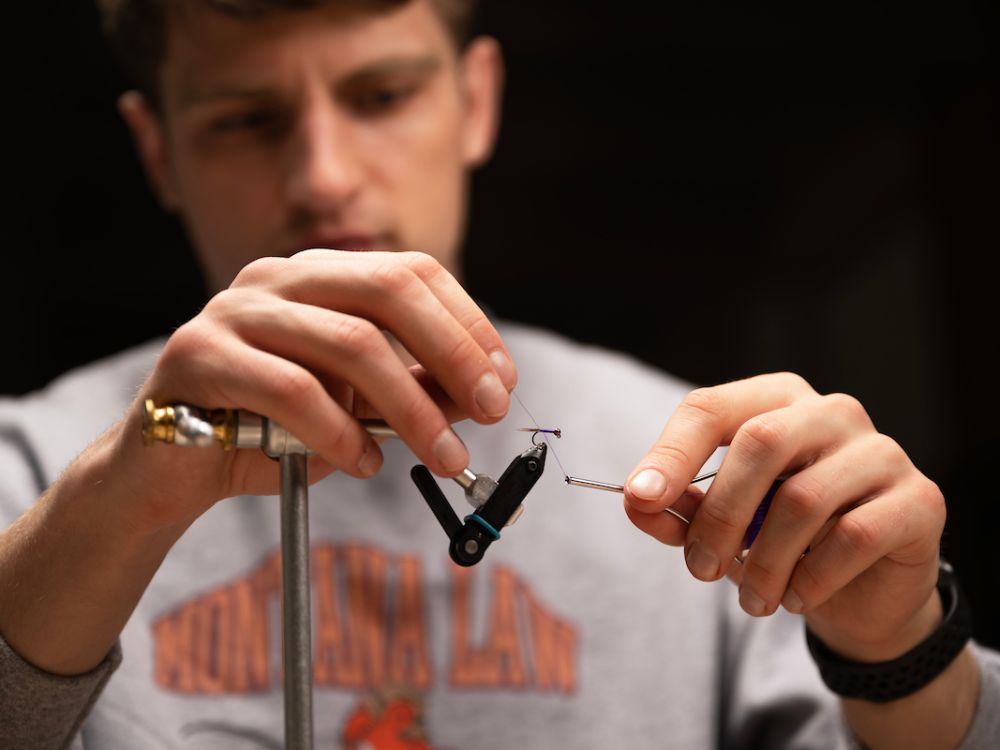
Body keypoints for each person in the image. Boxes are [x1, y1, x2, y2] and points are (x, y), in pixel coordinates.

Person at [1, 1, 997, 747]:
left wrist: (899, 646)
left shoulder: (710, 471)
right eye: (245, 120)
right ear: (156, 151)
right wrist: (115, 498)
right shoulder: (39, 473)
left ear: (475, 102)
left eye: (381, 95)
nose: (324, 177)